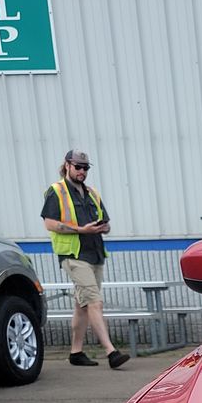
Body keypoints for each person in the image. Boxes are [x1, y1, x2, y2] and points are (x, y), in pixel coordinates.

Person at [41, 149, 127, 368]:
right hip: (73, 255)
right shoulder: (56, 191)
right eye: (78, 167)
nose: (82, 171)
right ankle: (111, 351)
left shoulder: (92, 193)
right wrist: (82, 230)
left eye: (85, 168)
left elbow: (104, 222)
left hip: (95, 253)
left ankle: (76, 352)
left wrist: (103, 228)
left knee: (82, 305)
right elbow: (50, 223)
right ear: (67, 165)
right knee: (95, 302)